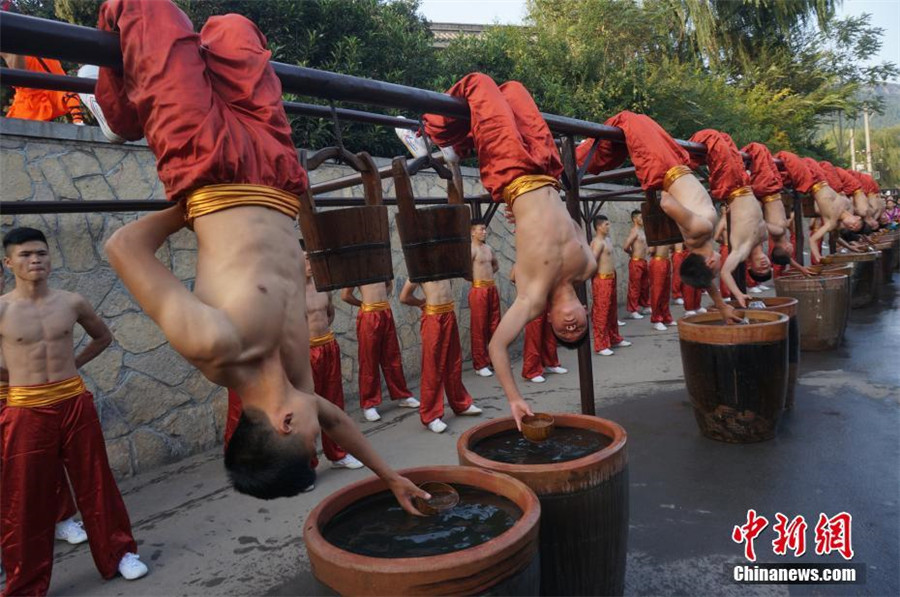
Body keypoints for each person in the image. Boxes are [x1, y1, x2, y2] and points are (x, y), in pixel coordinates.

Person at [92, 0, 425, 509]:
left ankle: (117, 111)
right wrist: (391, 478)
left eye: (312, 442)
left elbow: (123, 248)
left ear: (284, 422)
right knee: (233, 30)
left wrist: (190, 208)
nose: (323, 431)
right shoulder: (295, 378)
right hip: (275, 176)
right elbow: (335, 418)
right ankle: (131, 96)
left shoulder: (212, 344)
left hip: (205, 165)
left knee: (146, 7)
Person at [423, 73, 595, 429]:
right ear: (586, 310)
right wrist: (531, 221)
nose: (571, 326)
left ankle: (442, 137)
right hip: (547, 170)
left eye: (565, 332)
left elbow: (497, 348)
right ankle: (469, 140)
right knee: (514, 89)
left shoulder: (532, 298)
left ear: (547, 321)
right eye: (579, 327)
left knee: (480, 84)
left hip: (513, 172)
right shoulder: (587, 266)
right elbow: (574, 225)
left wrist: (515, 399)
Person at [0, 227, 148, 595]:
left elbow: (103, 337)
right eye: (26, 255)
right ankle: (25, 581)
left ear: (51, 258)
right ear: (9, 263)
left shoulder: (72, 302)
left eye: (41, 253)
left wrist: (74, 363)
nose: (35, 260)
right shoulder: (2, 308)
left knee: (96, 481)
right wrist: (14, 377)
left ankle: (119, 553)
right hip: (26, 407)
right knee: (25, 496)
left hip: (73, 400)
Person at [575, 112, 734, 322]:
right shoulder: (697, 242)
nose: (719, 267)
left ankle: (580, 152)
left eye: (716, 269)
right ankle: (585, 148)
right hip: (672, 165)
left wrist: (670, 192)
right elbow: (704, 277)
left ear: (711, 261)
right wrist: (722, 307)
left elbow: (666, 202)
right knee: (639, 124)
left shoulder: (701, 230)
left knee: (633, 121)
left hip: (664, 165)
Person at [0, 263, 88, 548]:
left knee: (46, 458)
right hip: (17, 393)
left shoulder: (14, 308)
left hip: (24, 396)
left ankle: (61, 519)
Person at [687, 129, 770, 308]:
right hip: (743, 183)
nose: (764, 264)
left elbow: (725, 273)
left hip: (730, 185)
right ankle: (691, 156)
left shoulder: (741, 250)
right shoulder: (764, 236)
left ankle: (684, 157)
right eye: (767, 267)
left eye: (760, 269)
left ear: (750, 267)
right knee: (725, 139)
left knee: (713, 138)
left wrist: (739, 294)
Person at [399, 279, 482, 433]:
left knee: (453, 363)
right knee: (432, 367)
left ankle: (460, 404)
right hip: (432, 317)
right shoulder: (418, 267)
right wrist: (420, 303)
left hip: (449, 314)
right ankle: (431, 416)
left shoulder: (444, 265)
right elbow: (404, 297)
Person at [341, 282, 419, 422]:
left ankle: (402, 395)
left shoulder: (381, 262)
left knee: (392, 356)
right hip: (368, 314)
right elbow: (346, 296)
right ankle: (369, 404)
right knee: (369, 361)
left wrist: (382, 300)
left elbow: (389, 285)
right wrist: (364, 304)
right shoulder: (356, 267)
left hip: (385, 312)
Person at [775, 151, 862, 264]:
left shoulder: (831, 223)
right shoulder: (848, 204)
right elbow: (837, 236)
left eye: (851, 228)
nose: (852, 226)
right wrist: (852, 246)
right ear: (857, 217)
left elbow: (813, 240)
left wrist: (817, 256)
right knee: (810, 160)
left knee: (785, 157)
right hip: (821, 177)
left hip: (810, 181)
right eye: (855, 225)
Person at [741, 142, 809, 277]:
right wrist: (801, 268)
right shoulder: (779, 233)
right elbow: (785, 258)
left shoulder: (777, 231)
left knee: (759, 150)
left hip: (767, 189)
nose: (791, 249)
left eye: (789, 251)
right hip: (772, 190)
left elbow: (759, 223)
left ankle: (740, 158)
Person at [589, 215, 630, 356]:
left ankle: (614, 338)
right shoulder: (597, 243)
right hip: (602, 280)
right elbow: (591, 262)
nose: (608, 226)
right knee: (602, 313)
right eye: (606, 224)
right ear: (599, 226)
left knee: (612, 311)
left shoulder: (607, 240)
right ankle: (600, 345)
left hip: (611, 278)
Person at [468, 219, 500, 377]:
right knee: (479, 327)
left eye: (485, 229)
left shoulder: (488, 248)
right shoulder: (471, 249)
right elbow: (465, 271)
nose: (484, 232)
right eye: (481, 229)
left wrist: (487, 277)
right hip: (479, 290)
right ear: (473, 232)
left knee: (495, 325)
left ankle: (495, 359)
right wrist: (477, 279)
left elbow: (496, 265)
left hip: (491, 288)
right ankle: (480, 364)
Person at [623, 209, 651, 319]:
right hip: (636, 261)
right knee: (635, 286)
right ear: (634, 219)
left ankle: (645, 306)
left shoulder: (642, 231)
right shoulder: (634, 231)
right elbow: (625, 246)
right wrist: (631, 253)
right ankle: (633, 310)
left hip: (643, 261)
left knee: (645, 285)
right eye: (640, 218)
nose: (642, 219)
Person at [648, 244, 676, 331]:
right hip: (658, 261)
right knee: (657, 292)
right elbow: (651, 249)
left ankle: (666, 317)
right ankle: (656, 320)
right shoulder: (655, 232)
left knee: (665, 292)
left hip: (666, 261)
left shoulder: (666, 232)